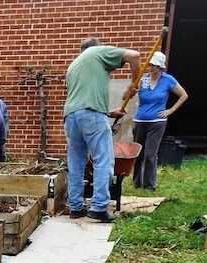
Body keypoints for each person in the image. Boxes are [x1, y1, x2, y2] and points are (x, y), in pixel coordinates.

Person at [63, 37, 140, 223]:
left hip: (71, 116)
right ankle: (98, 207)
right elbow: (134, 56)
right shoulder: (97, 51)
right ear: (98, 48)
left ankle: (75, 207)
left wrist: (108, 113)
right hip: (91, 115)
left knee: (76, 162)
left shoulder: (74, 65)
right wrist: (133, 83)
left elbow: (82, 97)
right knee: (103, 159)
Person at [131, 52, 189, 191]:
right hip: (140, 120)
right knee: (138, 152)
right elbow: (131, 93)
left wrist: (170, 110)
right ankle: (137, 183)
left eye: (153, 65)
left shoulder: (168, 80)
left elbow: (183, 95)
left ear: (159, 67)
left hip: (157, 122)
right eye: (149, 65)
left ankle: (149, 186)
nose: (150, 68)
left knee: (150, 154)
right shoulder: (143, 79)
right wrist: (132, 90)